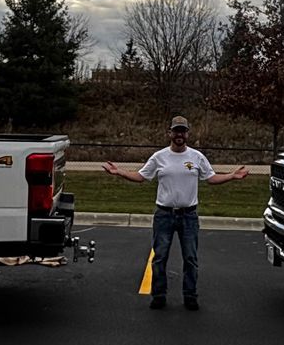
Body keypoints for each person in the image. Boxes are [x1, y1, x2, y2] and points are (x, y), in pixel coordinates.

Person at [101, 116, 251, 311]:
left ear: (187, 133)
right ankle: (159, 296)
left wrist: (231, 176)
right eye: (176, 131)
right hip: (164, 215)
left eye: (183, 131)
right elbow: (141, 176)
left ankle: (190, 296)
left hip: (189, 216)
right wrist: (119, 172)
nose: (179, 135)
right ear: (169, 133)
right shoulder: (159, 157)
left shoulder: (197, 157)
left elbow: (211, 178)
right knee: (160, 257)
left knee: (190, 258)